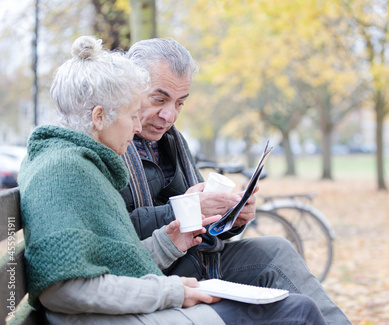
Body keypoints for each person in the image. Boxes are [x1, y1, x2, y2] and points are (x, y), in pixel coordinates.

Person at [18, 35, 328, 325]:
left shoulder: (84, 160)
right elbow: (67, 288)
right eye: (135, 112)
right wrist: (174, 287)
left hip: (164, 278)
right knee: (296, 312)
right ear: (100, 116)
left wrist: (220, 218)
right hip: (133, 301)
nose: (150, 121)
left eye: (180, 103)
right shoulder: (69, 168)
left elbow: (112, 253)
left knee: (279, 259)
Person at [121, 37, 352, 324]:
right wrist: (183, 210)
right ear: (128, 88)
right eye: (159, 99)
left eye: (180, 103)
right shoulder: (110, 141)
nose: (170, 115)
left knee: (276, 249)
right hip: (158, 269)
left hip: (195, 258)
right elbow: (112, 228)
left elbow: (200, 220)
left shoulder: (173, 141)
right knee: (295, 309)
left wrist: (229, 217)